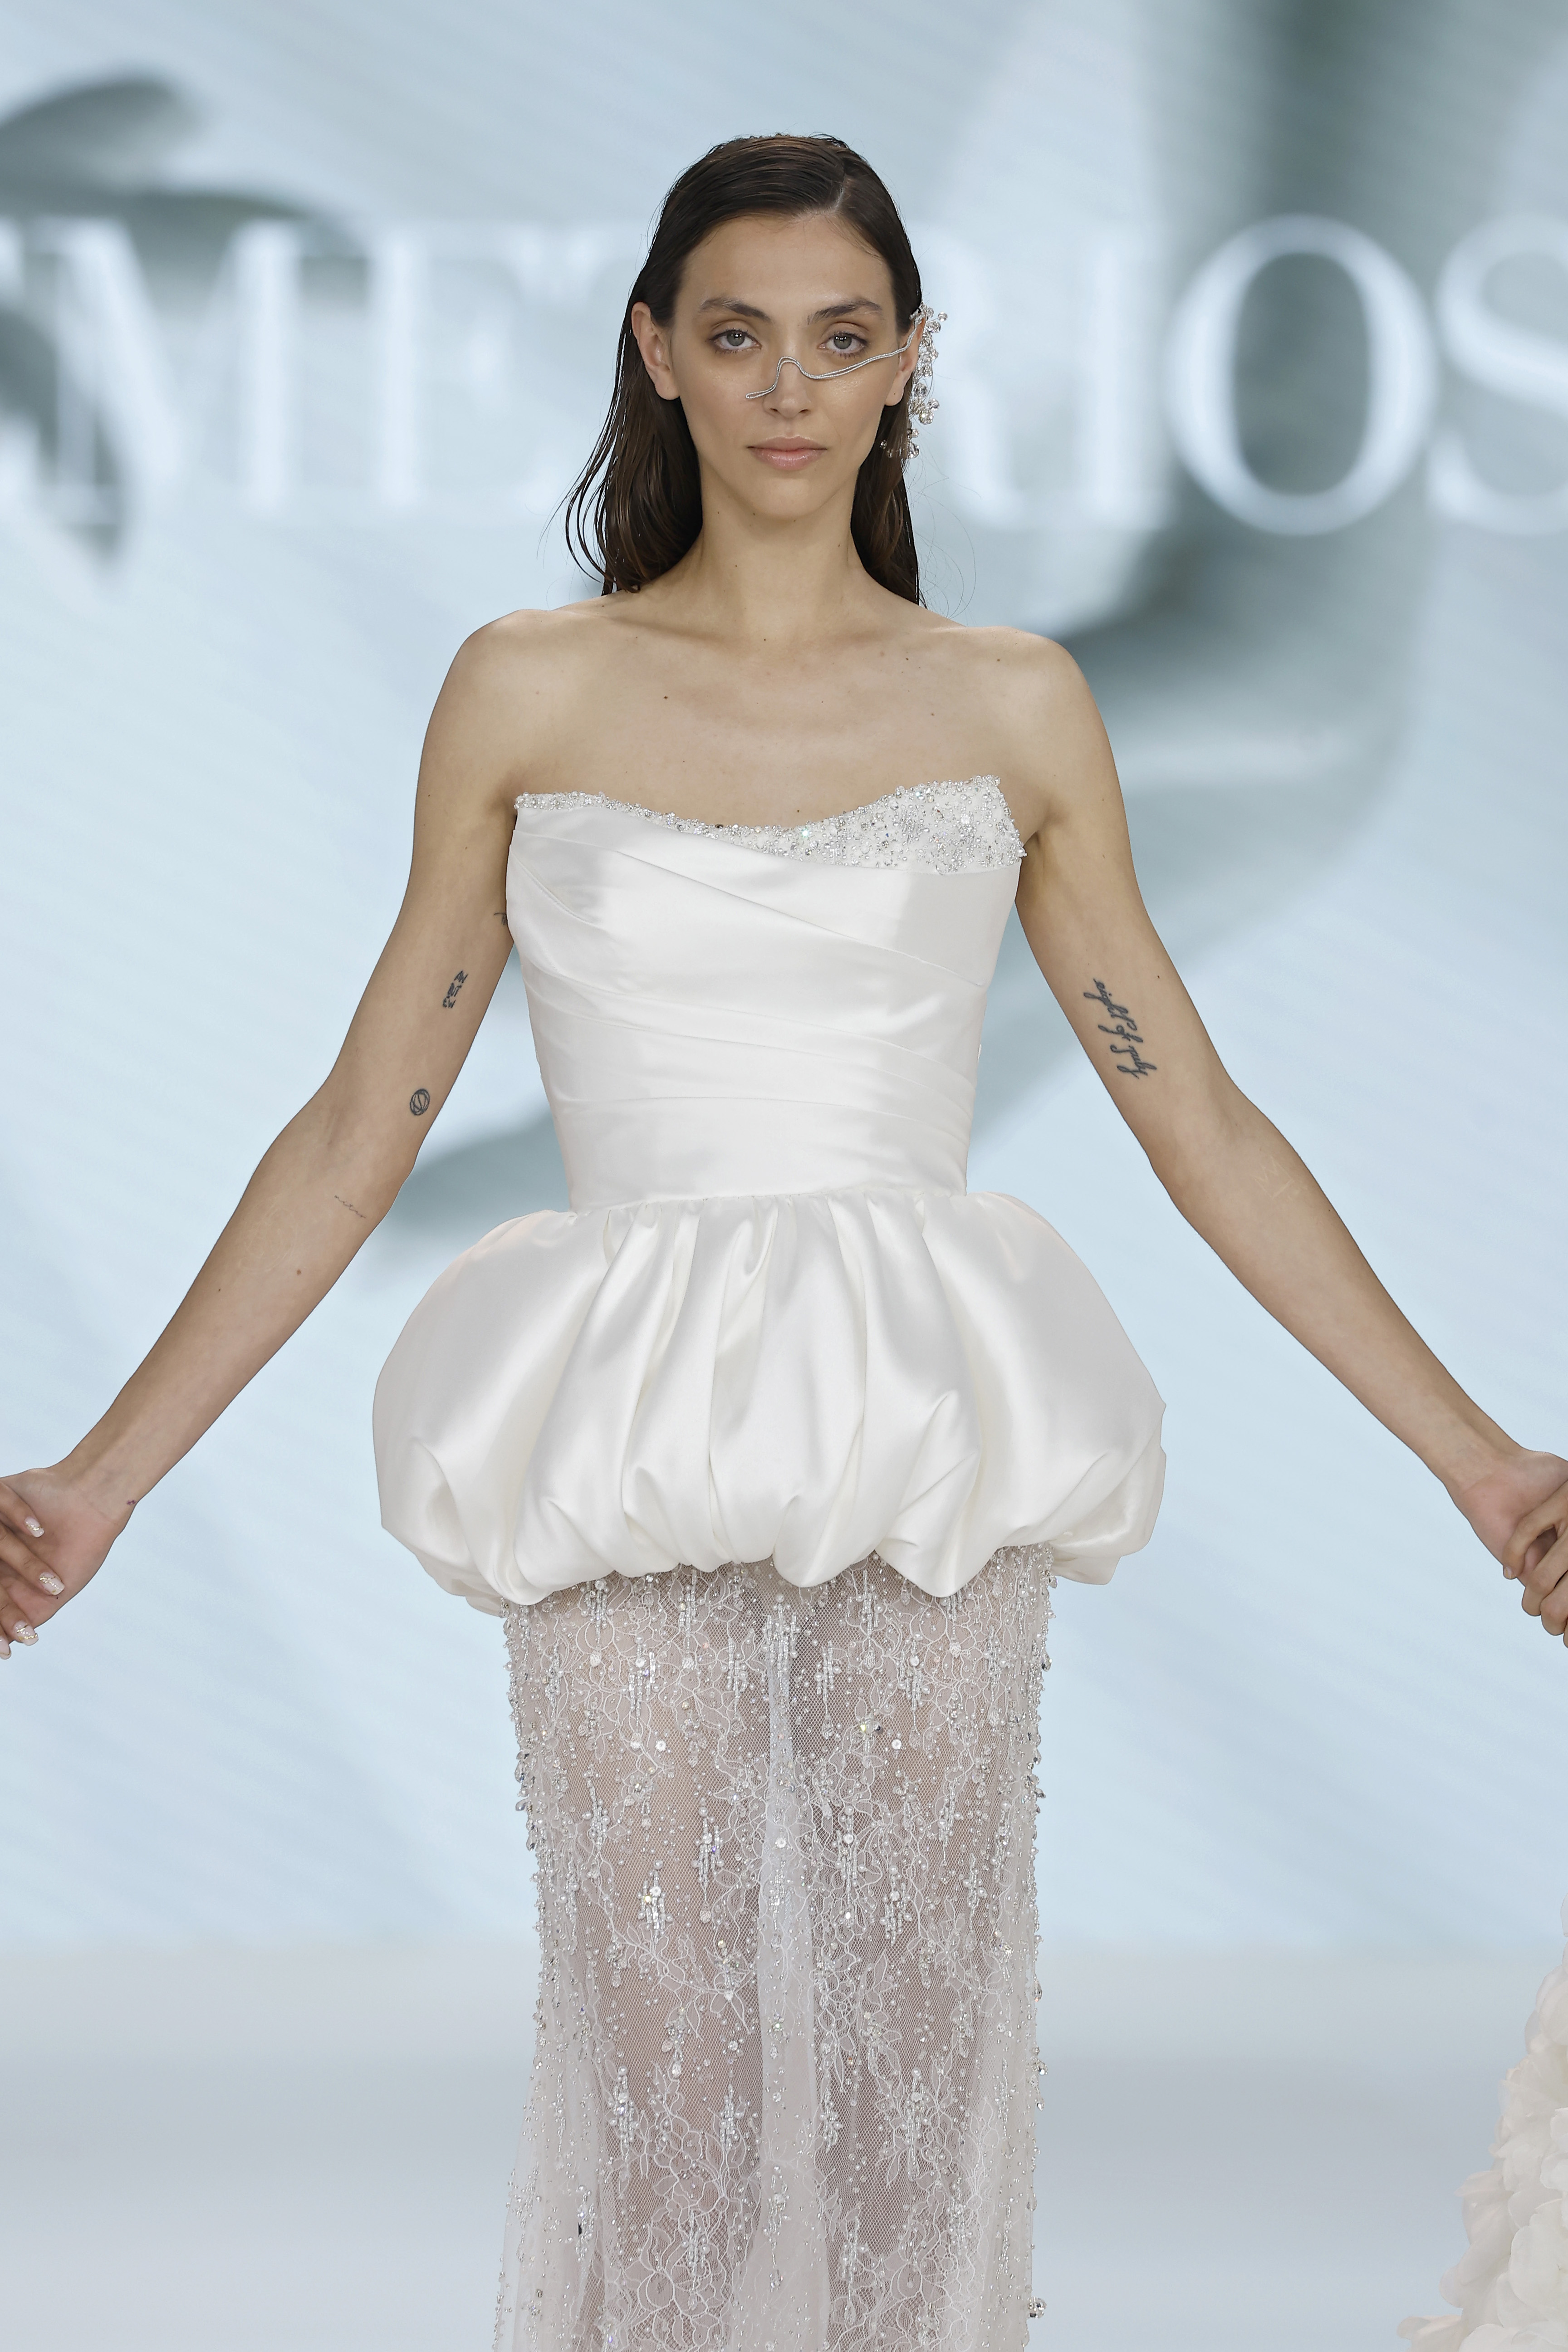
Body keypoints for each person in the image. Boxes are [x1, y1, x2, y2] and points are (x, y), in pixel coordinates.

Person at [2, 133, 1563, 2352]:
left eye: (841, 337)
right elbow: (364, 1125)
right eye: (738, 335)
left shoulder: (1010, 702)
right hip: (621, 1429)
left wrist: (1483, 1461)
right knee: (668, 2111)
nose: (790, 386)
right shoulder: (526, 689)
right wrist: (97, 1481)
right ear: (656, 350)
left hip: (922, 1427)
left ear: (911, 358)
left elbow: (1196, 1115)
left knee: (915, 2101)